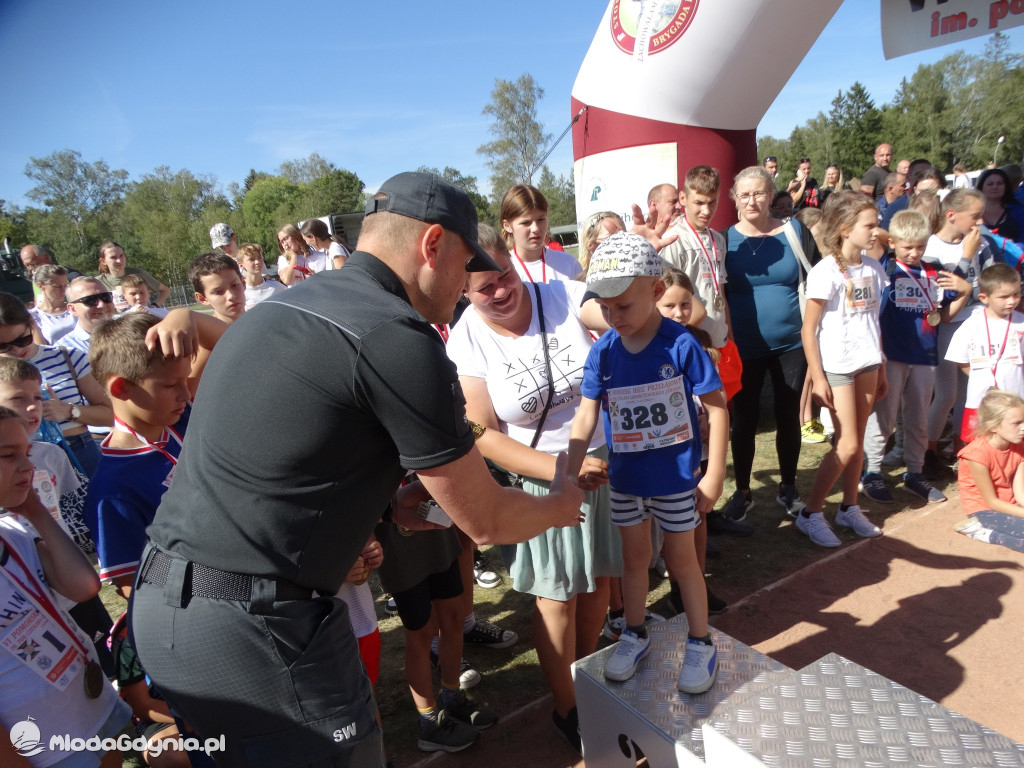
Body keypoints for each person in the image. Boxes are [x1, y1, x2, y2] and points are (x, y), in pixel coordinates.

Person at [129, 171, 586, 766]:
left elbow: (297, 446)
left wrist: (386, 506)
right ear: (431, 246)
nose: (467, 280)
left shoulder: (290, 305)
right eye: (465, 262)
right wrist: (561, 504)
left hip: (170, 608)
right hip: (257, 625)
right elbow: (488, 520)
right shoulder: (397, 334)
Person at [447, 224, 618, 754]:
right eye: (483, 288)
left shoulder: (561, 293)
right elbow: (484, 435)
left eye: (505, 276)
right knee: (557, 600)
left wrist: (621, 310)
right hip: (542, 481)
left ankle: (586, 684)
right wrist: (559, 470)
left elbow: (599, 310)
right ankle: (569, 708)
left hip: (602, 466)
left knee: (597, 588)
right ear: (462, 291)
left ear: (517, 264)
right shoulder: (466, 339)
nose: (500, 291)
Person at [567, 231, 727, 693]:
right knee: (632, 560)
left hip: (675, 479)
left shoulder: (681, 345)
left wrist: (714, 473)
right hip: (626, 480)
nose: (614, 318)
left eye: (625, 307)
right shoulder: (604, 350)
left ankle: (700, 641)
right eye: (606, 308)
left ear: (656, 292)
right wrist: (569, 470)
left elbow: (717, 407)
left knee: (682, 560)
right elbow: (585, 413)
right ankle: (633, 632)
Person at [0, 407, 132, 768]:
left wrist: (37, 513)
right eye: (8, 455)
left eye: (26, 453)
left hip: (88, 708)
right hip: (40, 746)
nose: (28, 466)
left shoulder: (12, 535)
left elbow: (84, 586)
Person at [84, 310, 224, 598]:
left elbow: (227, 342)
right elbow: (133, 583)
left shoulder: (178, 419)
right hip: (216, 601)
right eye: (172, 385)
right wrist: (220, 584)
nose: (186, 395)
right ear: (121, 387)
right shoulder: (112, 490)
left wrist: (185, 316)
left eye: (186, 380)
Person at [721, 166, 820, 522]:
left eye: (759, 193)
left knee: (788, 415)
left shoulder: (794, 231)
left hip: (792, 344)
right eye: (744, 194)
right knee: (743, 420)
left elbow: (819, 278)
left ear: (772, 194)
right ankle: (743, 491)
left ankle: (789, 486)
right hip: (742, 348)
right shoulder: (722, 240)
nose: (752, 200)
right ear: (734, 199)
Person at [860, 211, 971, 507]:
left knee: (918, 417)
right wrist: (894, 238)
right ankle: (871, 472)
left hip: (924, 355)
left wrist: (965, 292)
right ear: (894, 243)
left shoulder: (933, 272)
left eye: (920, 246)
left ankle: (914, 472)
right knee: (884, 417)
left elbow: (943, 316)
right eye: (907, 246)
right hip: (891, 356)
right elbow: (881, 236)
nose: (914, 252)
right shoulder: (885, 268)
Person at [798, 191, 888, 547]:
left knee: (857, 440)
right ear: (847, 228)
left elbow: (874, 321)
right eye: (870, 225)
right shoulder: (825, 272)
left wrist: (880, 367)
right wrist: (818, 377)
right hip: (837, 367)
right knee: (848, 444)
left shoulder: (873, 267)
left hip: (867, 362)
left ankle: (849, 508)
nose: (876, 231)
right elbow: (808, 329)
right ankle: (811, 513)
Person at [0, 291, 113, 478]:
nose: (17, 349)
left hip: (78, 450)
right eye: (4, 346)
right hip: (21, 460)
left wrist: (68, 411)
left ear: (31, 323)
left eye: (22, 339)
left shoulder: (68, 356)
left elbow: (110, 415)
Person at [923, 189, 995, 476]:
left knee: (973, 391)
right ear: (951, 215)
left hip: (978, 320)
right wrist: (966, 255)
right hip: (947, 325)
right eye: (974, 216)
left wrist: (972, 288)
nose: (979, 223)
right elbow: (946, 294)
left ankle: (962, 447)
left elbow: (990, 282)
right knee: (946, 394)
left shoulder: (982, 242)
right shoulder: (931, 248)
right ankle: (928, 452)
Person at [945, 263, 1024, 445]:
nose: (1011, 301)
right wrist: (980, 377)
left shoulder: (1021, 323)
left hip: (1016, 398)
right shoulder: (972, 324)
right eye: (1003, 297)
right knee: (978, 445)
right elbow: (961, 359)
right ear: (984, 297)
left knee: (1015, 447)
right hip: (980, 399)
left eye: (1016, 294)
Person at [659, 166, 730, 344]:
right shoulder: (673, 240)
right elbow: (663, 299)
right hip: (690, 343)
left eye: (712, 202)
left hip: (719, 341)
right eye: (699, 203)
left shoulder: (718, 240)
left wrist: (729, 337)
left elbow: (720, 291)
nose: (706, 211)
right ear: (683, 198)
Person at [954, 389, 1024, 552]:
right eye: (1017, 423)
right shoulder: (977, 455)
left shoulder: (1019, 445)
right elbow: (991, 502)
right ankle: (979, 532)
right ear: (993, 426)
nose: (1023, 428)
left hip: (1008, 504)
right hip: (984, 510)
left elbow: (1020, 493)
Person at [501, 185, 582, 284]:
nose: (535, 228)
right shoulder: (502, 272)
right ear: (507, 225)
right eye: (526, 222)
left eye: (541, 220)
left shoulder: (569, 263)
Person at [96, 242, 170, 311]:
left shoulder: (139, 273)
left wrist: (153, 307)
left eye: (121, 256)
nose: (119, 260)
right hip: (117, 323)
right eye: (113, 257)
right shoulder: (98, 282)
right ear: (103, 261)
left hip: (142, 319)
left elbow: (165, 291)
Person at [61, 278, 118, 356]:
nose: (101, 305)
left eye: (106, 297)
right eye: (90, 300)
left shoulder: (132, 332)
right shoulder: (64, 352)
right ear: (72, 309)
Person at [189, 252, 246, 325]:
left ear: (243, 283)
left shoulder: (261, 323)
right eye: (218, 291)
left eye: (235, 285)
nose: (230, 296)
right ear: (202, 298)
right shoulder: (207, 335)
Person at [28, 265, 75, 344]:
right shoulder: (33, 316)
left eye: (65, 286)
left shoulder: (74, 308)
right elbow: (40, 348)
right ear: (41, 286)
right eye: (57, 286)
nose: (63, 291)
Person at [976, 168, 1021, 242]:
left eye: (999, 183)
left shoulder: (1018, 211)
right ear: (981, 188)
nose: (995, 187)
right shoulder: (972, 212)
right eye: (990, 184)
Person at [239, 243, 286, 309]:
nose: (257, 262)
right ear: (241, 265)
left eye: (259, 258)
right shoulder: (240, 293)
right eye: (251, 259)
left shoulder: (276, 287)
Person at [579, 212, 626, 276]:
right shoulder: (583, 282)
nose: (622, 240)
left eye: (625, 235)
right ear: (590, 245)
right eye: (612, 238)